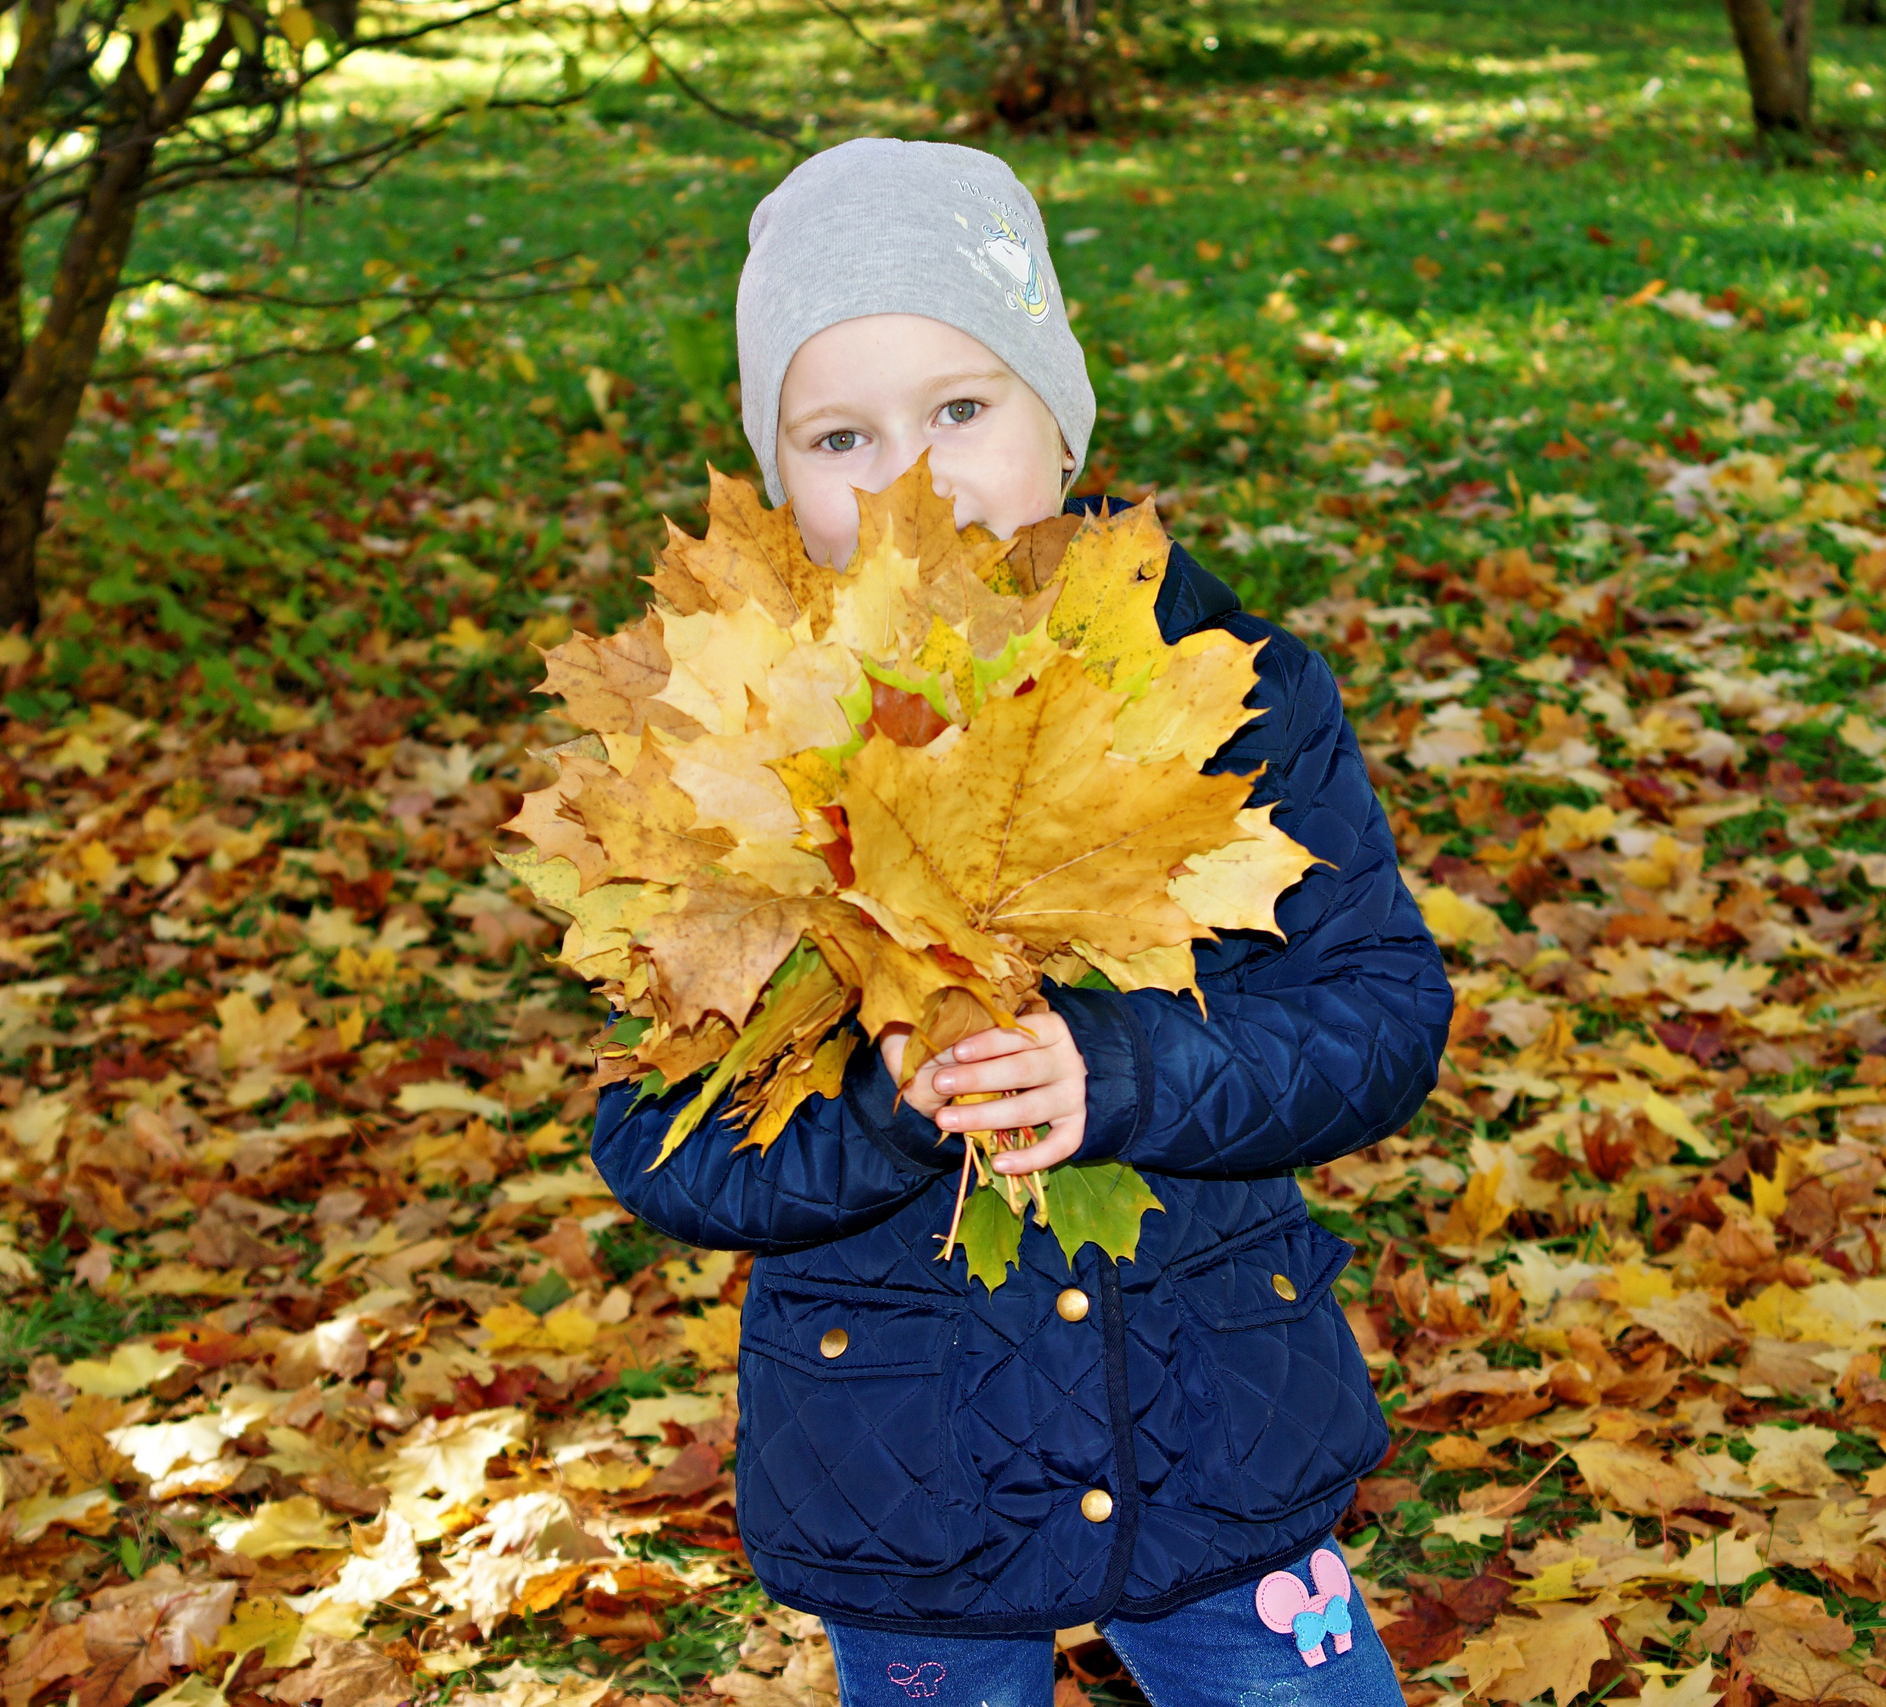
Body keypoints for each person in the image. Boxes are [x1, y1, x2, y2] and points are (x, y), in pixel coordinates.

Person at [590, 136, 1453, 1707]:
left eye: (963, 409)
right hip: (907, 1472)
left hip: (1221, 1432)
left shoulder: (1232, 694)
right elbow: (663, 1139)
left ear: (1064, 421)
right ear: (777, 480)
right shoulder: (730, 749)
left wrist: (1121, 1074)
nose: (909, 477)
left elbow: (1381, 1016)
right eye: (839, 433)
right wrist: (883, 1111)